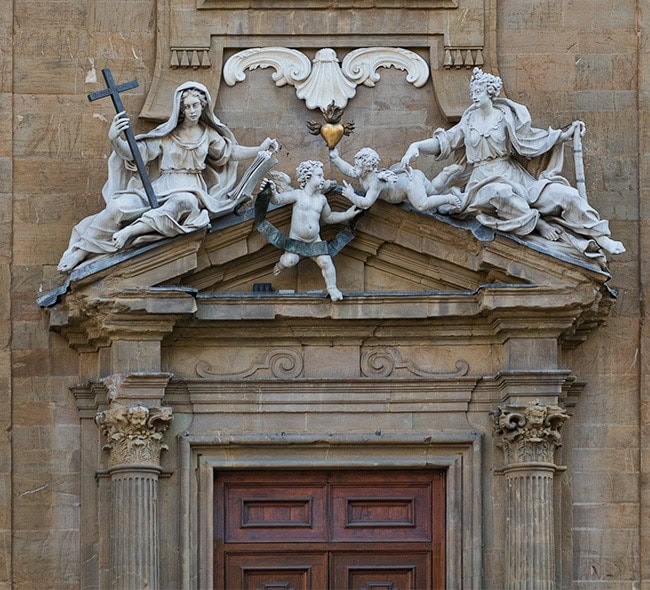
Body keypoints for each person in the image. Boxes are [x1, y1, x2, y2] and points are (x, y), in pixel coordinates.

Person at [400, 68, 625, 262]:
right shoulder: (468, 121)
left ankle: (600, 236)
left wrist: (564, 134)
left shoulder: (505, 117)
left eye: (478, 92)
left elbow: (530, 140)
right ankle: (539, 225)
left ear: (490, 92)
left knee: (563, 194)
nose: (474, 96)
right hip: (481, 181)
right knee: (501, 194)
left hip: (512, 174)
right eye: (472, 93)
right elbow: (445, 142)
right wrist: (417, 146)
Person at [57, 81, 278, 272]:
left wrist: (260, 148)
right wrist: (115, 139)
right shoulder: (166, 135)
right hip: (160, 186)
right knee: (117, 208)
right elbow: (135, 153)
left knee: (183, 203)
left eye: (196, 105)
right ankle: (82, 249)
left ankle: (131, 231)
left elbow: (231, 153)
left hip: (191, 189)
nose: (192, 110)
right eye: (188, 106)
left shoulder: (209, 135)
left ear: (203, 106)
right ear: (181, 109)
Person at [260, 160, 361, 301]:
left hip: (314, 240)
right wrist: (272, 192)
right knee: (290, 260)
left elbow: (329, 217)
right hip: (296, 240)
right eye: (319, 175)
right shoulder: (297, 195)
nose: (322, 179)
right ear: (308, 177)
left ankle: (332, 288)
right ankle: (280, 264)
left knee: (326, 262)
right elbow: (278, 200)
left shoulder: (322, 199)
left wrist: (347, 214)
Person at [329, 147, 463, 212]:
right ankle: (445, 173)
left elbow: (366, 203)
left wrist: (351, 195)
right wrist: (336, 159)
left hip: (409, 184)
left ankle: (449, 198)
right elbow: (349, 170)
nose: (355, 168)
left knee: (422, 204)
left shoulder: (375, 182)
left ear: (368, 168)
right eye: (356, 164)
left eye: (358, 166)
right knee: (433, 190)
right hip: (413, 176)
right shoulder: (363, 173)